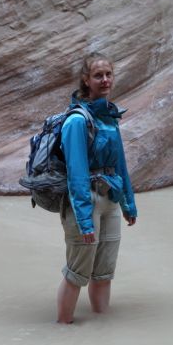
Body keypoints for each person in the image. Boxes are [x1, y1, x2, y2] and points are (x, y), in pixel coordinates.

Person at [57, 52, 137, 324]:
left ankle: (101, 331)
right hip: (86, 203)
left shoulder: (109, 117)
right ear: (86, 80)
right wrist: (84, 221)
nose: (104, 80)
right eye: (98, 75)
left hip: (110, 200)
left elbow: (120, 165)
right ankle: (62, 330)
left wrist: (128, 204)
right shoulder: (77, 121)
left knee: (104, 273)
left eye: (108, 74)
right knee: (77, 273)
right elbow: (76, 174)